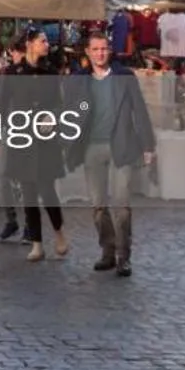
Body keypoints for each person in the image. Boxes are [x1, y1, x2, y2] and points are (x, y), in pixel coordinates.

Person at [64, 30, 157, 277]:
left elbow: (140, 110)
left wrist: (149, 145)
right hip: (91, 147)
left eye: (104, 48)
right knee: (98, 205)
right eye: (95, 49)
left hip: (121, 146)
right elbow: (74, 109)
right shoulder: (79, 79)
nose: (100, 53)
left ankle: (123, 256)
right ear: (87, 52)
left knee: (122, 204)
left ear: (110, 50)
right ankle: (107, 250)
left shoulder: (124, 77)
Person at [0, 30, 69, 261]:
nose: (47, 45)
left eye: (47, 41)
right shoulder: (11, 73)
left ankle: (59, 232)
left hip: (45, 139)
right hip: (22, 139)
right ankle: (37, 243)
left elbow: (59, 103)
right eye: (43, 41)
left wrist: (53, 117)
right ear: (29, 44)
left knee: (47, 190)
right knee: (28, 192)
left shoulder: (50, 72)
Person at [0, 38, 29, 242]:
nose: (20, 56)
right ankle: (11, 220)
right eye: (18, 52)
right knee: (4, 176)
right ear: (12, 52)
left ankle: (30, 226)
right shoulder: (4, 74)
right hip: (10, 130)